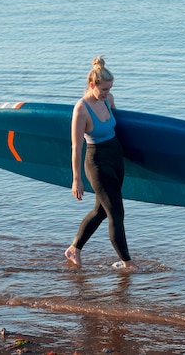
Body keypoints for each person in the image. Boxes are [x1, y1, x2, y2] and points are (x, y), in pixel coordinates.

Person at [64, 56, 138, 270]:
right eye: (104, 89)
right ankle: (128, 263)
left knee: (101, 210)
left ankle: (74, 249)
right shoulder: (81, 110)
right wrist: (76, 180)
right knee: (116, 212)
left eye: (109, 89)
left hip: (115, 158)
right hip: (97, 163)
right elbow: (76, 148)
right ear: (91, 85)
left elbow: (120, 125)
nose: (107, 93)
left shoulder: (108, 99)